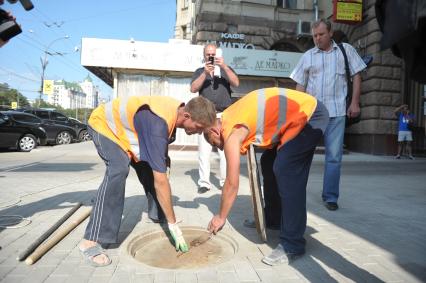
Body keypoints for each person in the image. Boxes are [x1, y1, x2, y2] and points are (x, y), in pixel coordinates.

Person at [78, 95, 217, 267]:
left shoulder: (175, 112)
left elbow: (157, 154)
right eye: (198, 127)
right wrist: (173, 225)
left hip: (126, 133)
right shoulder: (157, 123)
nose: (198, 132)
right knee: (118, 168)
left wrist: (163, 160)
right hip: (105, 126)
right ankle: (91, 239)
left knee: (152, 168)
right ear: (187, 116)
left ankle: (158, 214)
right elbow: (161, 181)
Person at [204, 87, 329, 266]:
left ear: (215, 132)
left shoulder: (231, 132)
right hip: (295, 119)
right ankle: (273, 218)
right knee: (268, 162)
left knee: (286, 169)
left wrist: (221, 217)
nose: (221, 148)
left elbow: (232, 184)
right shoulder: (228, 116)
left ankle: (293, 244)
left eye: (217, 144)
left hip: (310, 115)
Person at [290, 19, 367, 211]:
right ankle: (295, 191)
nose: (317, 39)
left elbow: (357, 75)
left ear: (330, 33)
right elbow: (300, 84)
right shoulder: (308, 56)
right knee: (303, 154)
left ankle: (330, 196)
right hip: (313, 115)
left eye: (321, 35)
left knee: (334, 157)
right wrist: (299, 110)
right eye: (315, 36)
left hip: (337, 112)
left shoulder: (345, 50)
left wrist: (354, 102)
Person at [190, 43, 239, 194]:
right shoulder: (200, 71)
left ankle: (225, 181)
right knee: (204, 150)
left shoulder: (226, 68)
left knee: (225, 150)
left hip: (224, 115)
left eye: (213, 54)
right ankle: (204, 182)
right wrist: (205, 74)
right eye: (208, 54)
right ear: (204, 56)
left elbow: (236, 83)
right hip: (205, 115)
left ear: (217, 54)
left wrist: (224, 67)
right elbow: (193, 88)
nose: (211, 57)